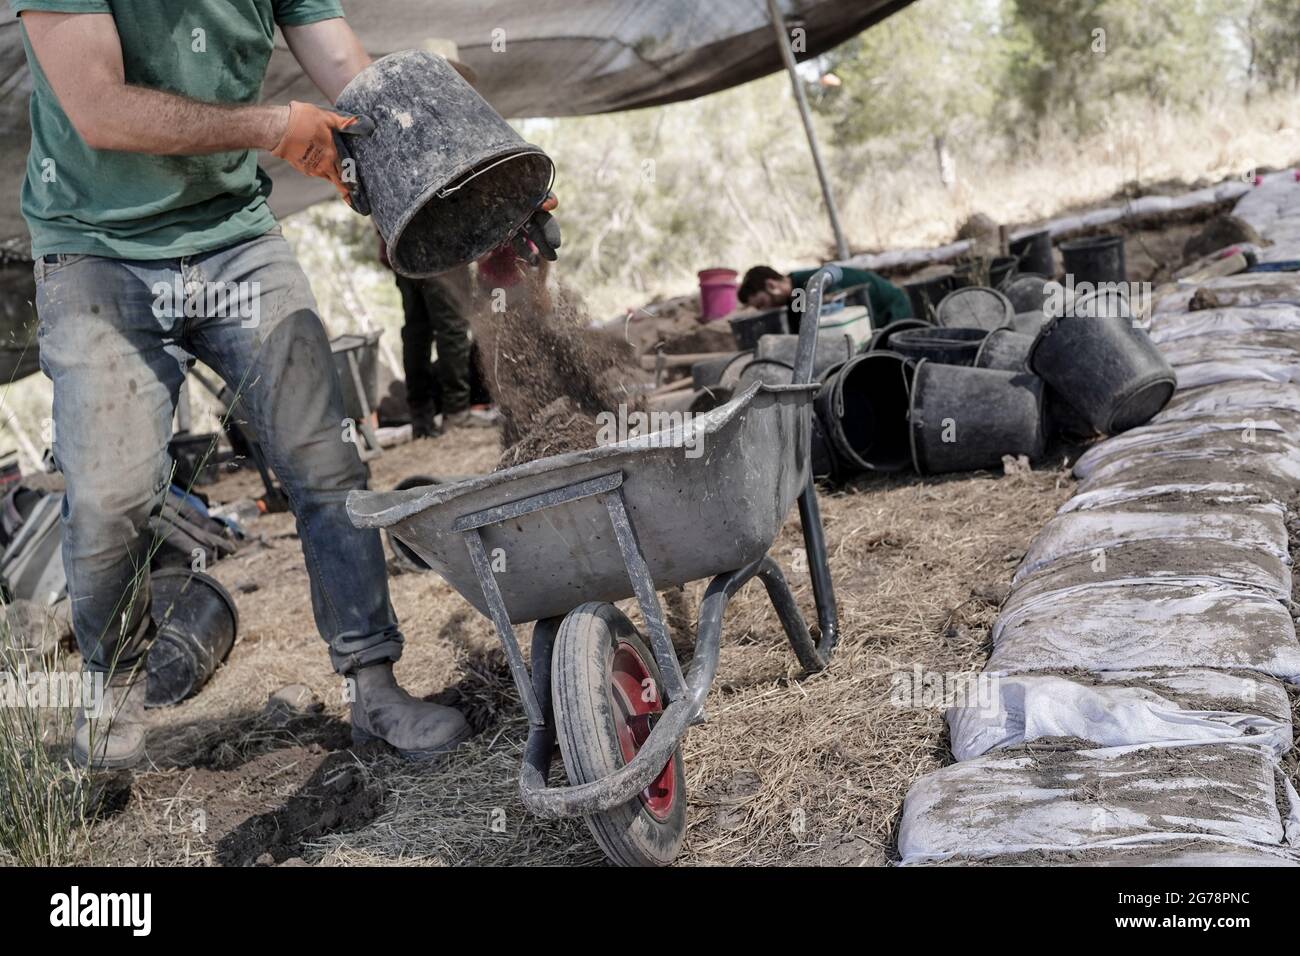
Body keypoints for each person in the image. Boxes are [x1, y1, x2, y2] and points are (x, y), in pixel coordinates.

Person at [10, 1, 531, 767]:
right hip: (95, 251)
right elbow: (100, 109)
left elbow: (353, 82)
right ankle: (115, 697)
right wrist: (269, 127)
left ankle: (373, 689)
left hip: (234, 239)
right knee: (113, 495)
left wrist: (465, 180)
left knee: (326, 464)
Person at [738, 264, 913, 327]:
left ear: (771, 285)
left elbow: (837, 318)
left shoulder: (812, 283)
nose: (767, 308)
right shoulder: (795, 298)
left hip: (892, 311)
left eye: (763, 302)